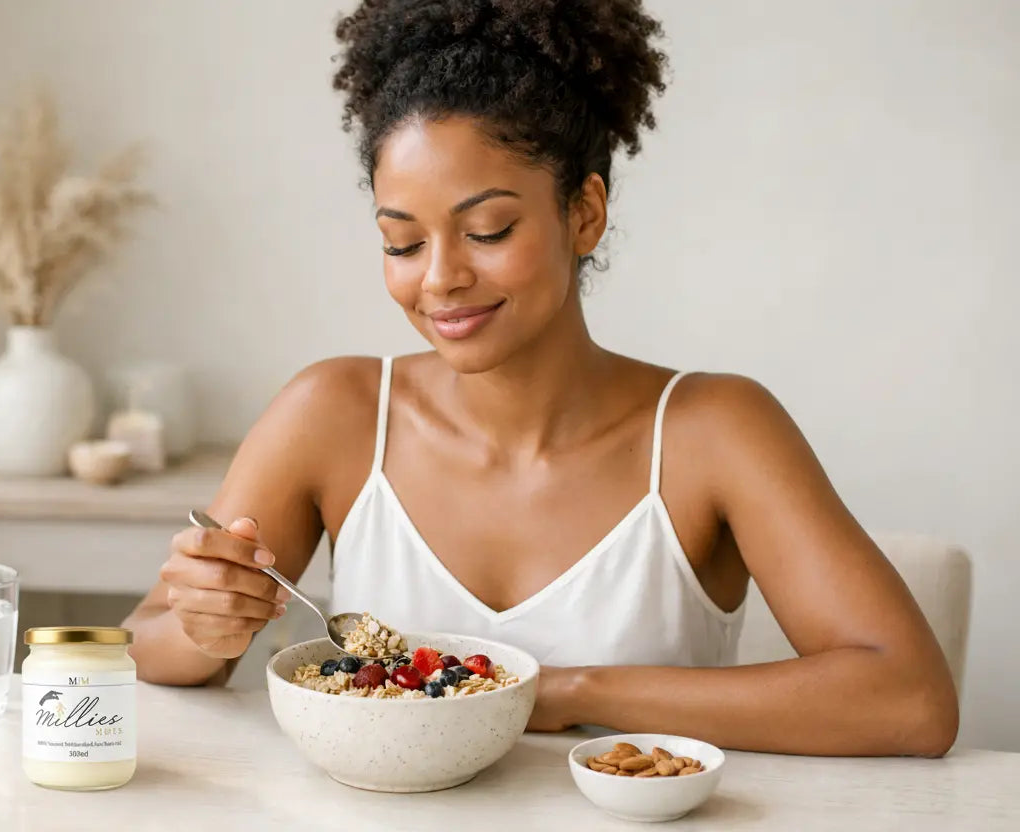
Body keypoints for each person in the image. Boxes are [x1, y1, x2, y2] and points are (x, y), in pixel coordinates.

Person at [123, 0, 958, 756]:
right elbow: (142, 646)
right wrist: (206, 625)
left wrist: (564, 693)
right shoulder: (334, 413)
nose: (440, 279)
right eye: (403, 242)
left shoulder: (713, 431)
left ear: (583, 213)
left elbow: (909, 700)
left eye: (488, 229)